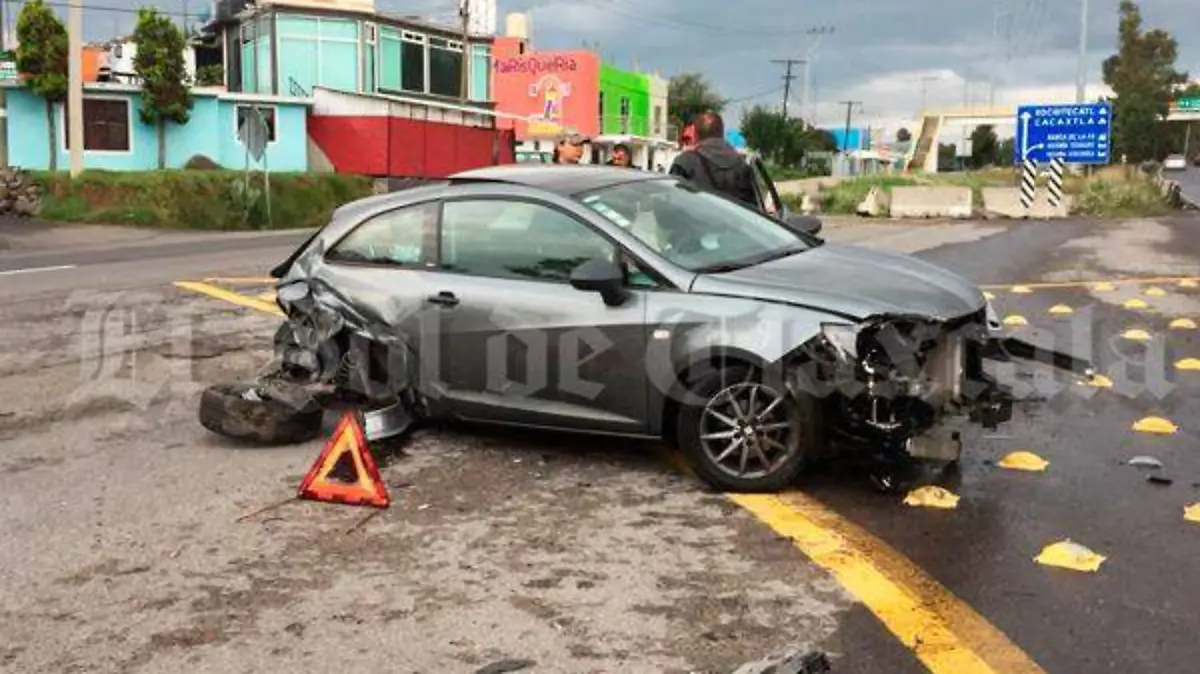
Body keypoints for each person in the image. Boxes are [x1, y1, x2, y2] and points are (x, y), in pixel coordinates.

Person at [668, 110, 757, 208]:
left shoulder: (684, 162)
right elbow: (752, 209)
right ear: (721, 132)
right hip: (732, 218)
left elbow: (671, 204)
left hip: (693, 217)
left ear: (696, 135)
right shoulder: (742, 165)